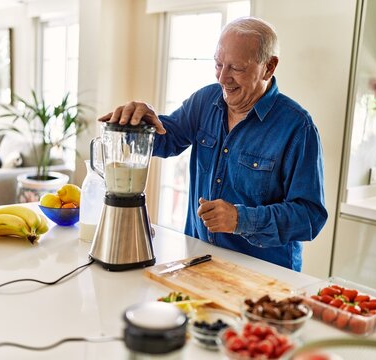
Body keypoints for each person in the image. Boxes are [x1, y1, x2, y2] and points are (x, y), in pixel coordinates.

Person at [99, 16, 327, 271]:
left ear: (269, 67)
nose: (223, 78)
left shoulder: (298, 127)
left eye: (236, 68)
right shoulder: (206, 100)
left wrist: (241, 219)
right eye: (218, 64)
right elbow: (168, 138)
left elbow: (310, 216)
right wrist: (141, 124)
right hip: (199, 260)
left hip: (263, 274)